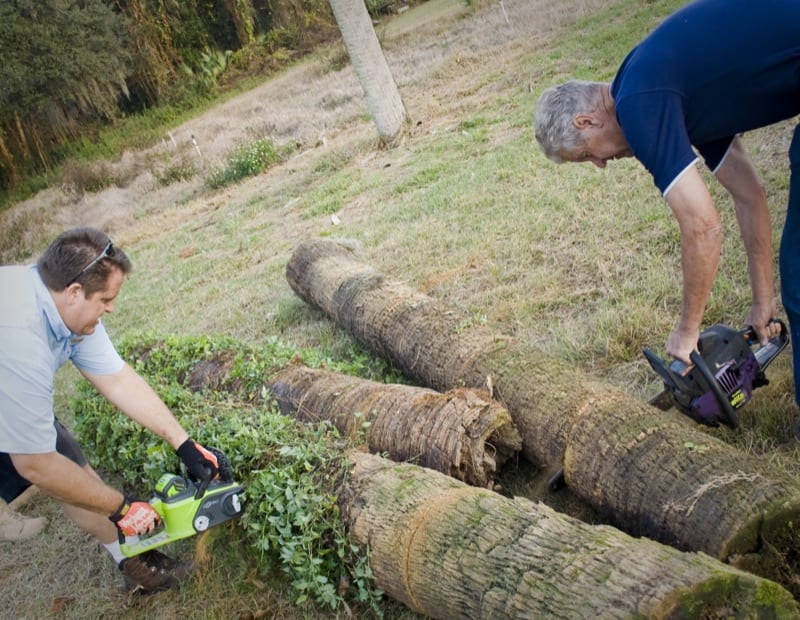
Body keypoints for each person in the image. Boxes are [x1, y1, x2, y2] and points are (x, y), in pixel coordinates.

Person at [533, 0, 800, 407]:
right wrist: (762, 304)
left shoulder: (639, 104)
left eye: (587, 155)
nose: (601, 164)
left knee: (799, 275)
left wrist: (687, 330)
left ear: (584, 122)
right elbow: (749, 194)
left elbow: (703, 228)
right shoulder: (659, 86)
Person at [0, 227, 221, 593]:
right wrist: (121, 507)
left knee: (70, 465)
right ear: (74, 292)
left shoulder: (70, 311)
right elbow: (36, 464)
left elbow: (118, 379)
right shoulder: (21, 342)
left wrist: (183, 442)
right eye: (105, 299)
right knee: (47, 466)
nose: (111, 308)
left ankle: (131, 558)